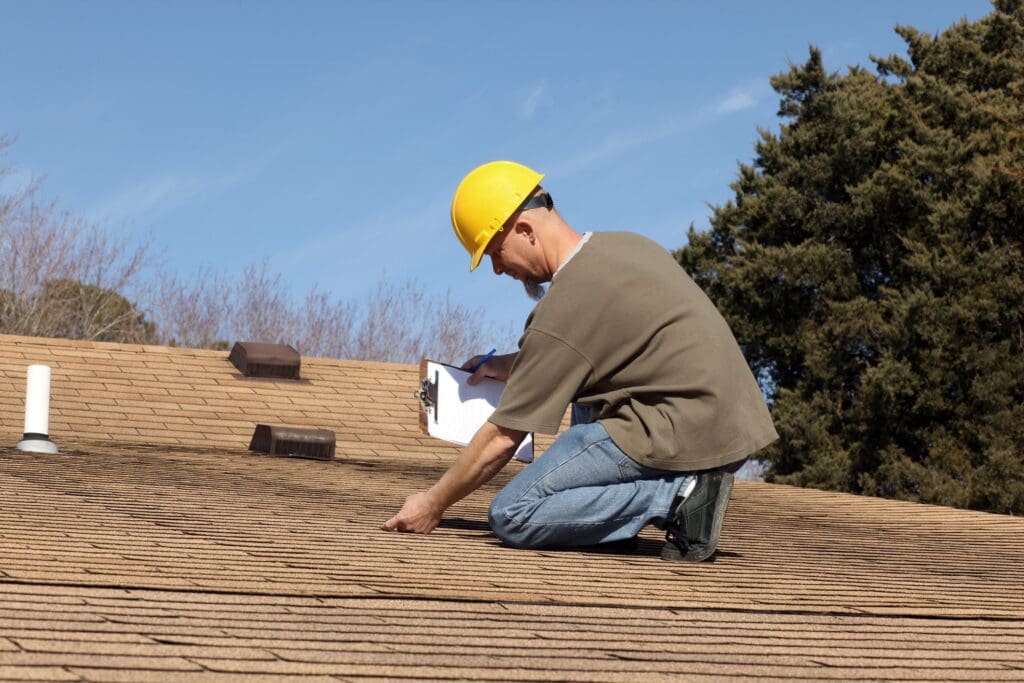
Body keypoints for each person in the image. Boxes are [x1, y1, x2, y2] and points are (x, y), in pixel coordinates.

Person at [383, 160, 777, 562]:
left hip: (682, 430)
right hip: (726, 421)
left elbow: (503, 437)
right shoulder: (625, 247)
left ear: (524, 230)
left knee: (512, 514)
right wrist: (508, 364)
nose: (499, 270)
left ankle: (679, 497)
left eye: (494, 252)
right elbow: (587, 348)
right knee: (584, 392)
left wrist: (434, 502)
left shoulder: (564, 307)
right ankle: (612, 524)